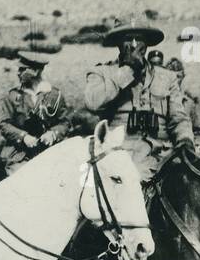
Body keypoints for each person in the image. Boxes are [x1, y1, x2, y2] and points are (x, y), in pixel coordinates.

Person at [83, 23, 193, 178]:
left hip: (162, 155)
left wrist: (185, 140)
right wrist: (127, 70)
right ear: (119, 43)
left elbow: (179, 118)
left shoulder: (167, 77)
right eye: (128, 39)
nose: (134, 44)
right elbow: (92, 102)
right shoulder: (102, 73)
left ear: (146, 43)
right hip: (120, 154)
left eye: (139, 38)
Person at [0, 52, 70, 174]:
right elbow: (4, 125)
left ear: (35, 71)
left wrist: (53, 133)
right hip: (19, 154)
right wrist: (23, 136)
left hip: (50, 152)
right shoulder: (13, 96)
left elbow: (65, 123)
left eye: (22, 69)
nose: (18, 73)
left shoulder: (54, 95)